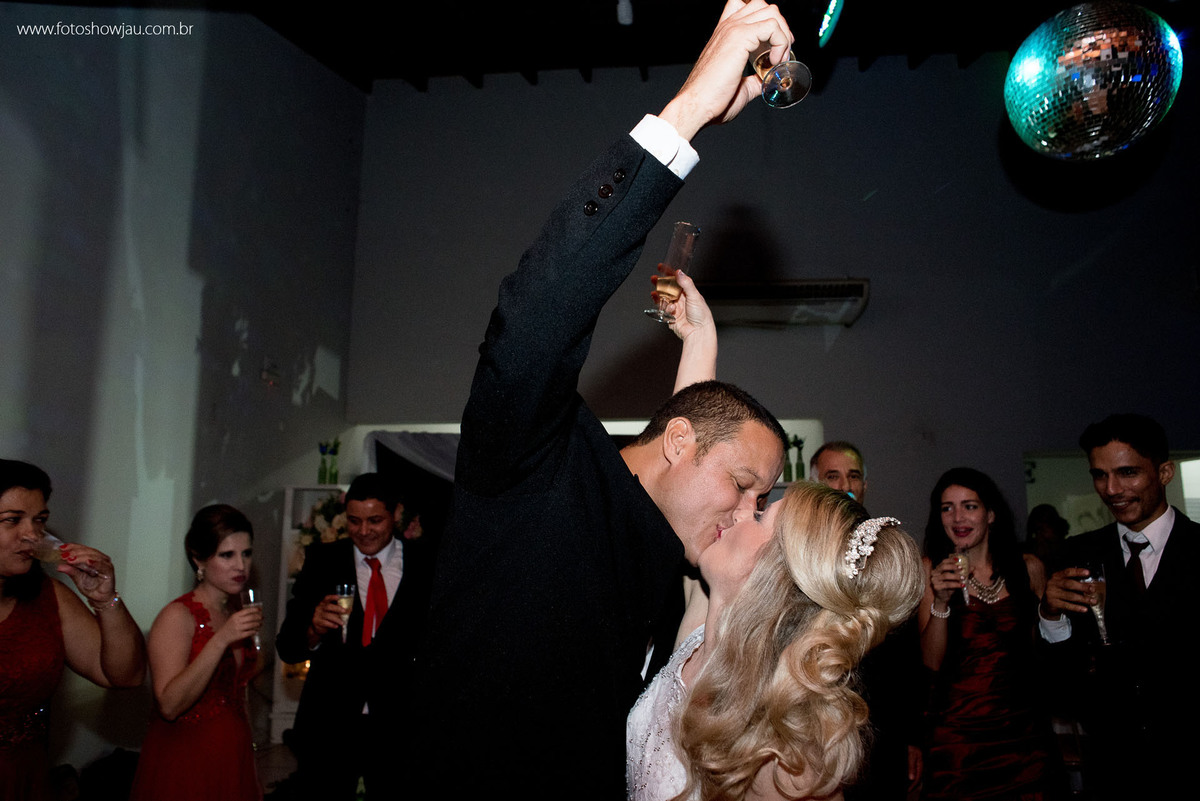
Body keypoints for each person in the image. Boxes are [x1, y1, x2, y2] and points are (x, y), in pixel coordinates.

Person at [408, 3, 794, 796]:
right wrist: (690, 112)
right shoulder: (538, 462)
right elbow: (536, 315)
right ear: (680, 442)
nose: (745, 512)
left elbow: (682, 457)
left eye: (758, 498)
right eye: (744, 485)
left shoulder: (663, 549)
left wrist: (701, 349)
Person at [628, 481, 924, 801]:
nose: (740, 513)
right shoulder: (701, 626)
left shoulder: (787, 757)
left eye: (759, 517)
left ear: (776, 573)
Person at [1038, 413, 1196, 800]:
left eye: (1127, 473)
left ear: (1165, 473)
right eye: (1099, 475)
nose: (1111, 489)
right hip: (1113, 770)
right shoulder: (1077, 554)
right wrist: (1050, 616)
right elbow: (1061, 683)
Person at [275, 473, 435, 800]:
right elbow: (287, 647)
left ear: (396, 513)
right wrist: (313, 628)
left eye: (375, 520)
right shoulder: (323, 560)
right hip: (329, 726)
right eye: (354, 521)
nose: (363, 531)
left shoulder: (426, 564)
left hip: (400, 726)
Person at [0, 459, 146, 801]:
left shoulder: (49, 598)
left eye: (39, 520)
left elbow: (126, 675)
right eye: (12, 520)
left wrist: (105, 599)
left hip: (27, 778)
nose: (32, 535)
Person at [918, 467, 1062, 801]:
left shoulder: (1028, 567)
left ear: (991, 514)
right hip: (958, 740)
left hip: (1024, 734)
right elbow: (931, 662)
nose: (958, 517)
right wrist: (941, 601)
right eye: (947, 508)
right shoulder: (930, 569)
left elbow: (1041, 651)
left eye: (969, 506)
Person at [129, 504, 265, 801]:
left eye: (246, 553)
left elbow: (241, 691)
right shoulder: (177, 616)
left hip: (233, 758)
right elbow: (169, 705)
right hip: (187, 761)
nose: (241, 566)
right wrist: (221, 640)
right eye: (227, 555)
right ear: (198, 558)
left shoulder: (234, 611)